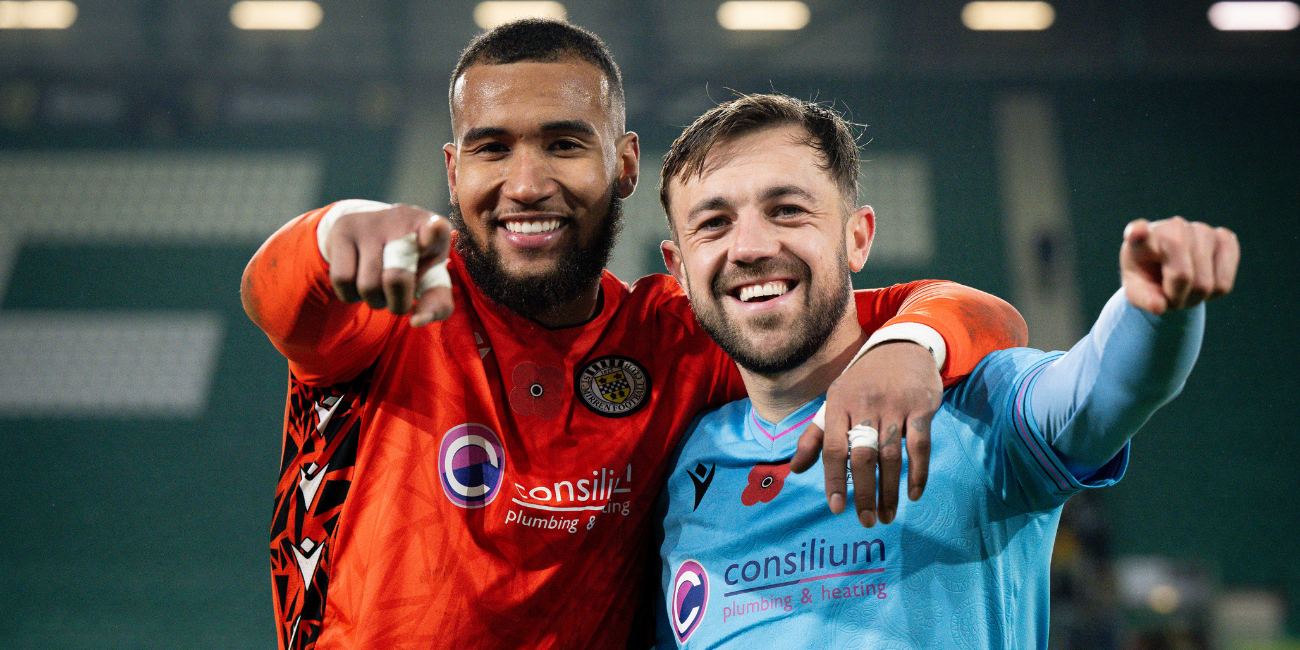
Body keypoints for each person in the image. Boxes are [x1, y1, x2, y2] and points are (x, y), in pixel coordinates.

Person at [241, 20, 1028, 650]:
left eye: (563, 143)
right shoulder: (395, 310)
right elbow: (276, 297)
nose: (526, 183)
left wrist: (905, 346)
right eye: (492, 148)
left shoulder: (677, 339)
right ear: (452, 172)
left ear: (622, 163)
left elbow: (974, 312)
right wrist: (334, 228)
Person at [654, 94, 1238, 648]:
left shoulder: (975, 403)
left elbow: (1103, 393)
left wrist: (1155, 311)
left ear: (857, 238)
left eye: (787, 210)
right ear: (678, 269)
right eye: (714, 223)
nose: (751, 246)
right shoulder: (686, 465)